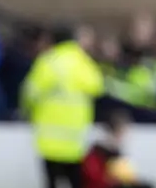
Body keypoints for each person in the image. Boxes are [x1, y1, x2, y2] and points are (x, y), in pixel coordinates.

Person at [20, 25, 104, 188]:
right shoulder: (82, 60)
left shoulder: (47, 61)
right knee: (76, 181)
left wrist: (26, 112)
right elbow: (97, 86)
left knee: (51, 182)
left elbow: (30, 93)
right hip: (74, 138)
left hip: (48, 138)